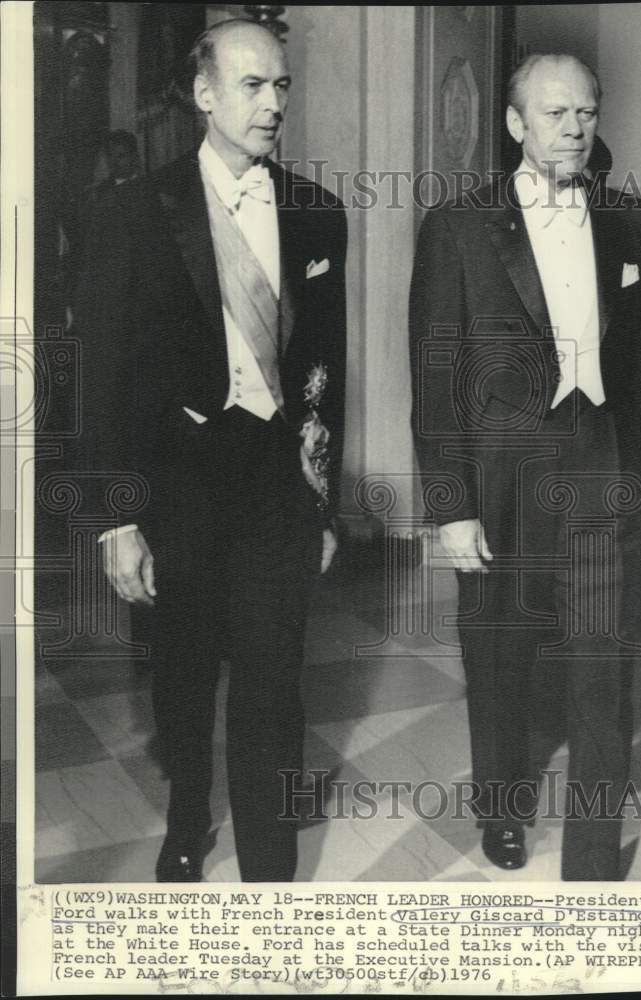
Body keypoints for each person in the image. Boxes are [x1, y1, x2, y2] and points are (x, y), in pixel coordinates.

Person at [74, 18, 347, 882]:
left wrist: (321, 500)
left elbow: (323, 376)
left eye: (282, 87)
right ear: (204, 95)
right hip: (176, 486)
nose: (273, 104)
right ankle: (188, 815)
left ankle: (269, 866)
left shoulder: (318, 215)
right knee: (184, 676)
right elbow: (102, 377)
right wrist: (117, 520)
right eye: (252, 86)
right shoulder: (131, 212)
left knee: (274, 678)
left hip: (275, 489)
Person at [409, 53, 641, 880]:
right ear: (517, 124)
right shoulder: (457, 226)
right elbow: (433, 379)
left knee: (603, 665)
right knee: (499, 659)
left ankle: (592, 859)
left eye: (586, 110)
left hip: (600, 465)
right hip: (499, 480)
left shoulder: (627, 220)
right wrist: (450, 506)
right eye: (554, 113)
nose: (574, 125)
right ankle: (501, 810)